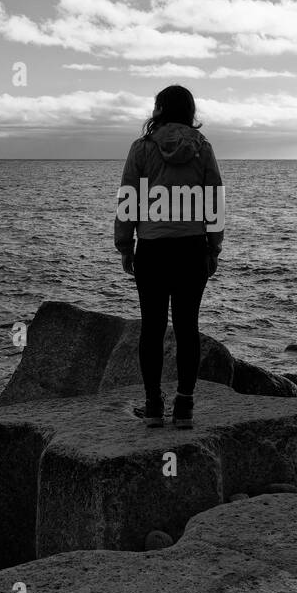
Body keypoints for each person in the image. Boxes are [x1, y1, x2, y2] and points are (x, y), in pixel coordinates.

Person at [114, 85, 224, 429]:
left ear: (159, 110)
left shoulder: (142, 148)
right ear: (190, 112)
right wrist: (214, 245)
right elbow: (214, 198)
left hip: (153, 248)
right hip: (191, 247)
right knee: (188, 327)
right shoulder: (202, 149)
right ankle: (185, 406)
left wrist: (124, 244)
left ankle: (152, 405)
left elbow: (128, 198)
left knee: (152, 327)